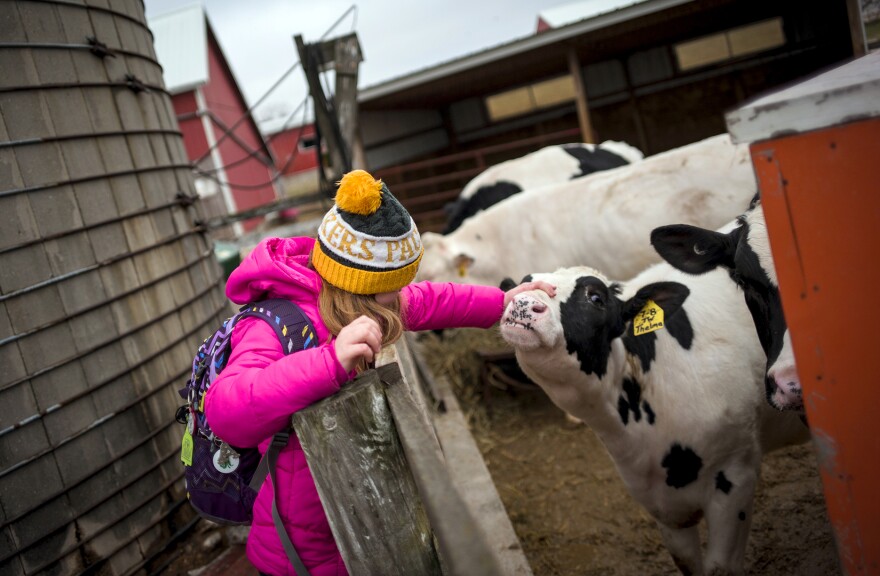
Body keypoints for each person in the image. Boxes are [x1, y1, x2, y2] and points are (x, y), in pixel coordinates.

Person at [205, 170, 555, 576]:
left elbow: (429, 299)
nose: (402, 294)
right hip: (301, 548)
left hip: (357, 518)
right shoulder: (274, 325)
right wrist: (329, 361)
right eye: (393, 285)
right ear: (356, 282)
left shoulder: (364, 301)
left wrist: (500, 303)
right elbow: (227, 409)